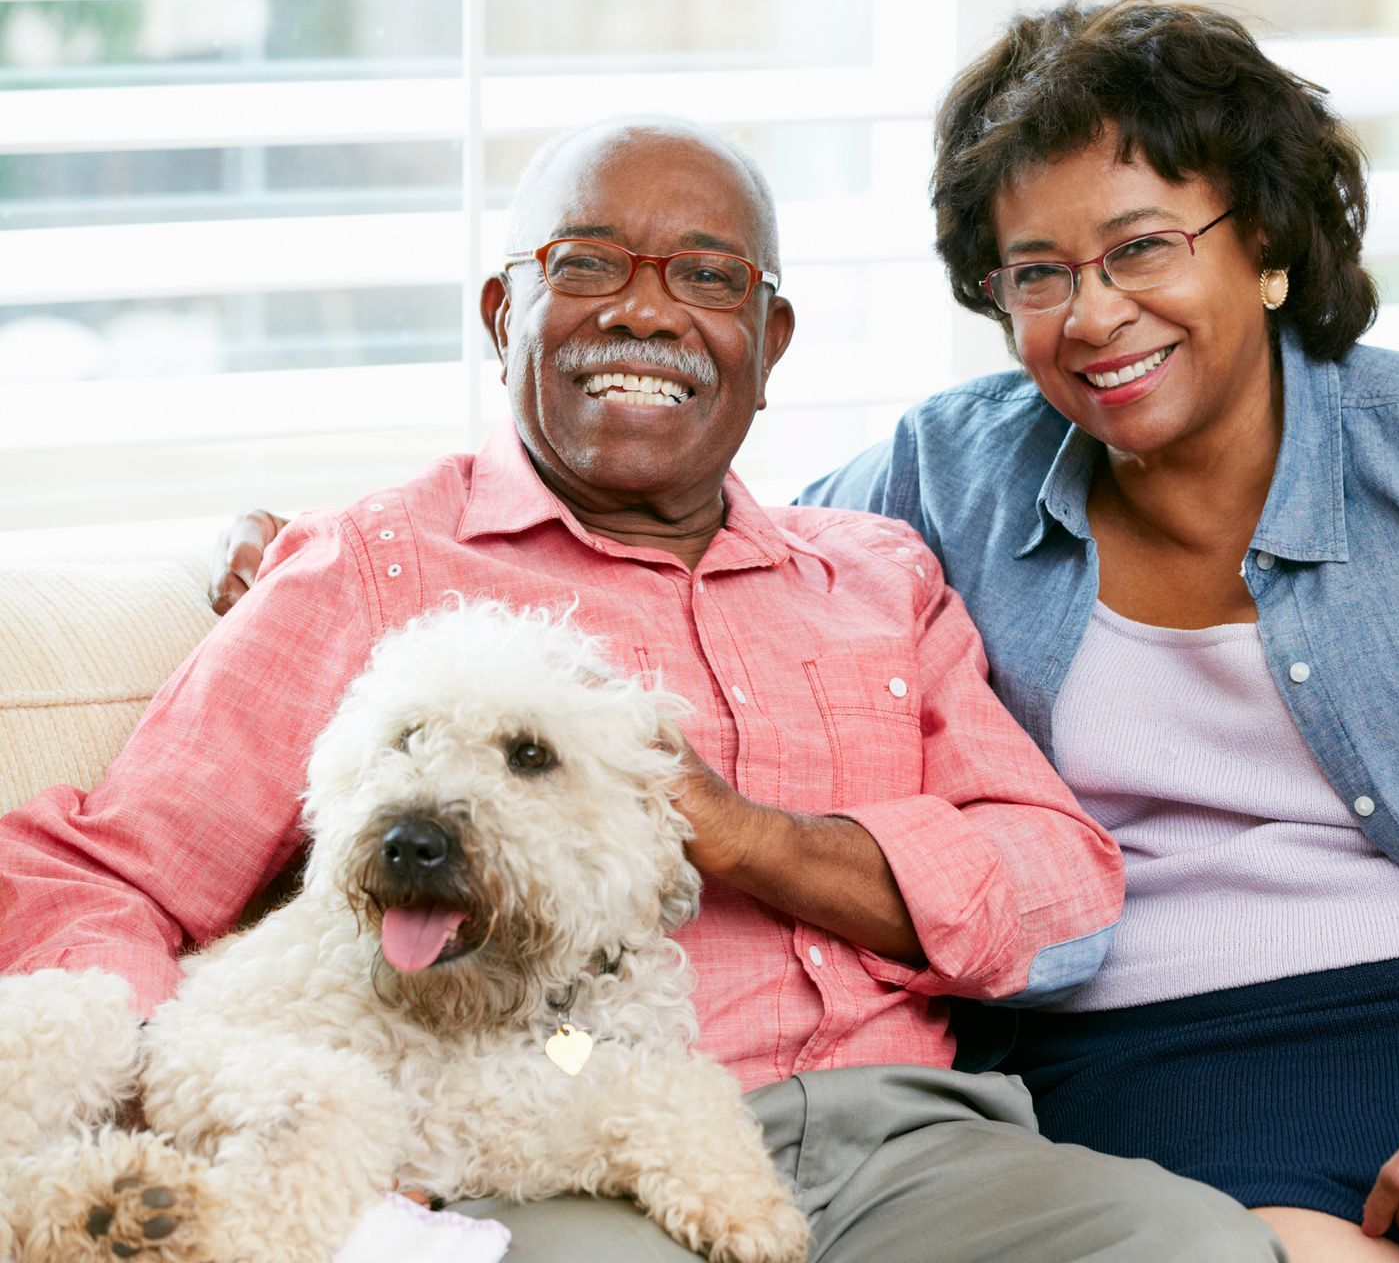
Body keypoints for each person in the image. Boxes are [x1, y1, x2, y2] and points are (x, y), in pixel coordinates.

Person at [209, 0, 1399, 1263]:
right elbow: (680, 525)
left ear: (1268, 249)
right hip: (1175, 1070)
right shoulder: (937, 480)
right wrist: (336, 565)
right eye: (1035, 273)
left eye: (1144, 247)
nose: (1092, 315)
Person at [0, 117, 1289, 1263]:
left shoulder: (876, 574)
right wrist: (179, 1083)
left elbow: (1063, 893)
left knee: (1191, 1243)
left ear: (767, 341)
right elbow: (106, 874)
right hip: (534, 1142)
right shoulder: (375, 567)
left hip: (908, 1144)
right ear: (507, 316)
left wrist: (743, 837)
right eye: (587, 264)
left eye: (708, 278)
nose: (644, 312)